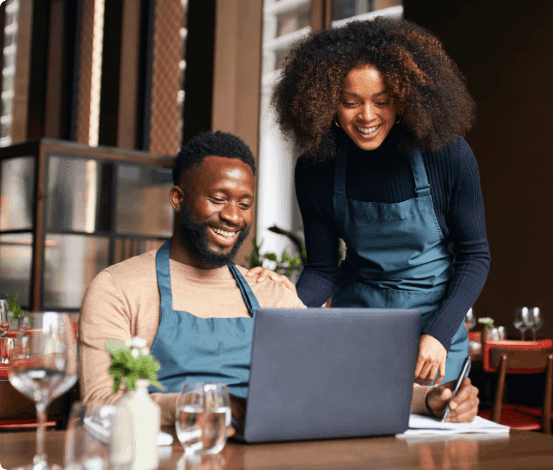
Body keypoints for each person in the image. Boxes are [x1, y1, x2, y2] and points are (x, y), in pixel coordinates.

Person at [79, 130, 479, 430]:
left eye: (245, 203)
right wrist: (205, 407)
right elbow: (99, 404)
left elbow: (336, 381)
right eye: (218, 199)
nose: (233, 216)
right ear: (179, 198)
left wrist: (431, 400)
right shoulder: (119, 288)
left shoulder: (268, 291)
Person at [248, 18, 490, 387]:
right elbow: (323, 270)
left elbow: (475, 256)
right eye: (350, 102)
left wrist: (440, 334)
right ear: (327, 102)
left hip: (433, 327)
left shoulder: (448, 155)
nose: (366, 116)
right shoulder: (317, 168)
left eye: (383, 101)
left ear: (406, 100)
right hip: (357, 322)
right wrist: (286, 306)